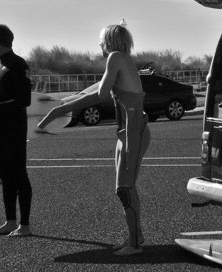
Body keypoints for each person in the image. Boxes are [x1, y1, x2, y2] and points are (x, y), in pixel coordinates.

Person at [37, 23, 150, 256]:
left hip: (133, 132)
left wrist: (61, 110)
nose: (99, 45)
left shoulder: (116, 57)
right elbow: (94, 90)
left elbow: (100, 95)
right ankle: (135, 237)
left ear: (108, 42)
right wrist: (62, 104)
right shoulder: (122, 60)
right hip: (127, 132)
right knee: (125, 188)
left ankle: (135, 245)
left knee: (125, 188)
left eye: (101, 41)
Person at [0, 23, 34, 238]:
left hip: (14, 128)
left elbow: (24, 101)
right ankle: (10, 222)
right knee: (5, 175)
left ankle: (25, 225)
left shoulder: (18, 65)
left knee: (19, 175)